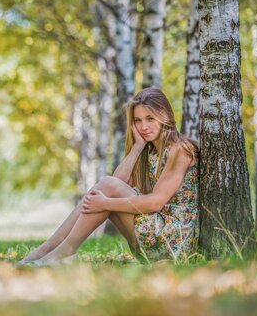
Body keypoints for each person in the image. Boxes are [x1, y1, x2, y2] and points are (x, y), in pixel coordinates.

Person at [18, 88, 199, 264]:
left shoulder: (180, 149)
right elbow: (117, 181)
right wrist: (138, 147)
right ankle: (49, 248)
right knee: (106, 185)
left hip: (174, 242)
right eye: (137, 120)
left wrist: (105, 203)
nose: (144, 126)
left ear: (164, 116)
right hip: (154, 238)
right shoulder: (151, 150)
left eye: (150, 118)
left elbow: (155, 202)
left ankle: (62, 250)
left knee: (106, 187)